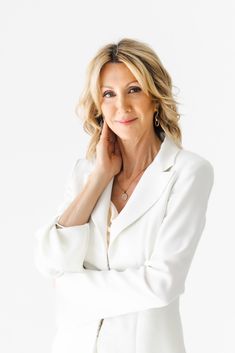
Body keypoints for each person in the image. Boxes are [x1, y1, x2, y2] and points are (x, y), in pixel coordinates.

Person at [34, 38, 214, 353]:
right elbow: (51, 261)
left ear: (155, 98)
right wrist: (99, 178)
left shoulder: (188, 172)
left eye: (134, 90)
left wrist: (71, 288)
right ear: (99, 106)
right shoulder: (86, 173)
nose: (122, 107)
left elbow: (161, 284)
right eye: (108, 94)